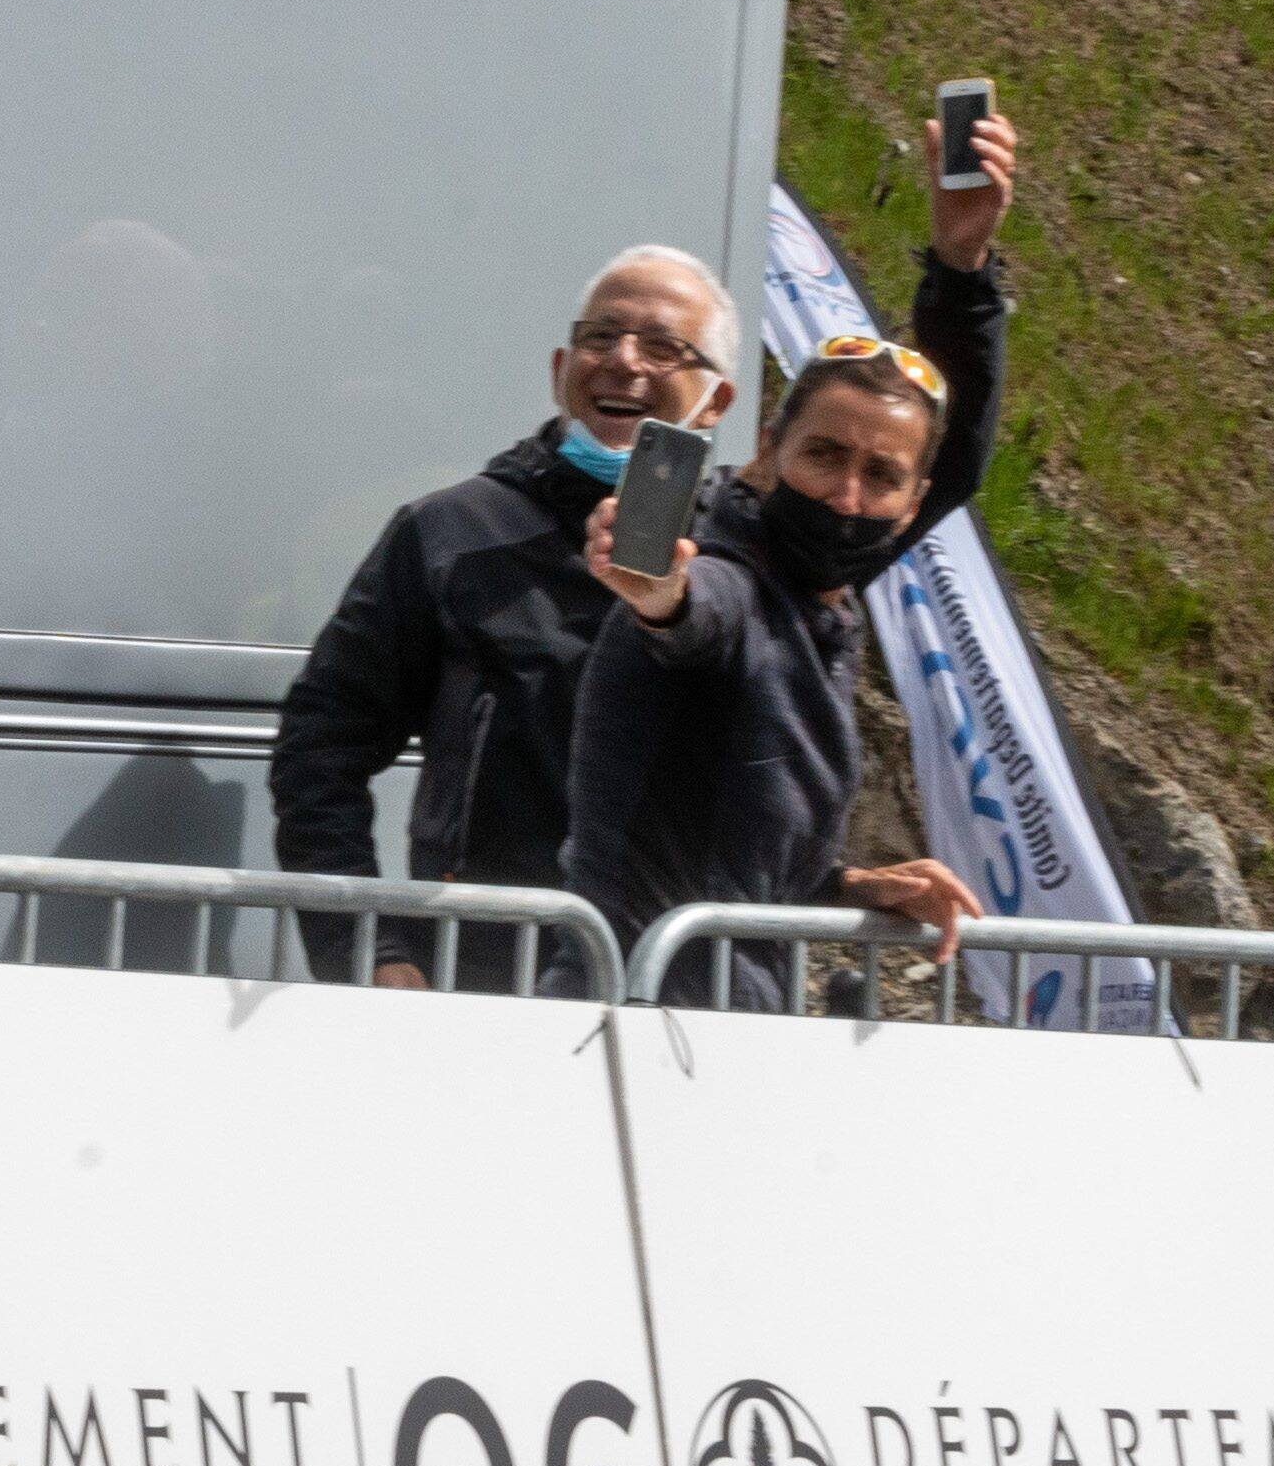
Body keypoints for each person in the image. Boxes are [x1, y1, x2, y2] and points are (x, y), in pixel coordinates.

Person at [272, 147, 1011, 982]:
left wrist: (961, 270)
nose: (625, 361)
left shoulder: (773, 540)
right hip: (487, 984)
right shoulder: (448, 534)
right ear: (561, 371)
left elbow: (923, 460)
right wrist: (373, 951)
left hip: (689, 999)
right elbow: (319, 755)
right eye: (601, 338)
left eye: (665, 348)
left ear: (722, 402)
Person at [560, 297, 1019, 1015]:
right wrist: (658, 592)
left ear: (914, 501)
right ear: (770, 449)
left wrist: (856, 887)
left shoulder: (818, 604)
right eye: (825, 455)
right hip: (629, 1018)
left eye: (881, 475)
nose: (846, 496)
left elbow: (737, 863)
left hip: (731, 1025)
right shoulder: (732, 579)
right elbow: (692, 614)